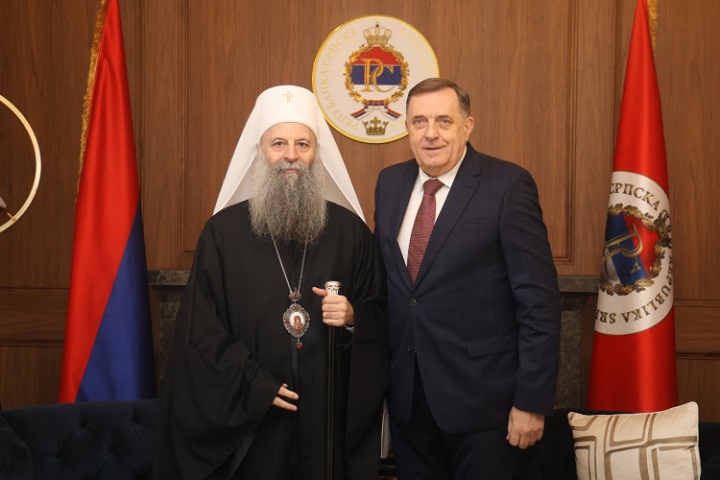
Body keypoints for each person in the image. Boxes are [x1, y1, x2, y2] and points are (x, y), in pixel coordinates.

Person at [154, 85, 388, 480]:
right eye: (278, 143)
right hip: (252, 418)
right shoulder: (223, 234)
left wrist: (353, 317)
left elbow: (380, 313)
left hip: (325, 422)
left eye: (302, 144)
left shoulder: (350, 233)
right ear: (260, 151)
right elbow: (200, 332)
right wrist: (254, 384)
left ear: (316, 154)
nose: (291, 155)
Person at [373, 78, 561, 479]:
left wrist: (531, 402)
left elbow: (539, 304)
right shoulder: (389, 183)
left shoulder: (507, 185)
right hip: (410, 403)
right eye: (419, 121)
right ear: (407, 128)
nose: (431, 133)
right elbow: (393, 287)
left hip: (486, 408)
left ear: (467, 126)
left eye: (444, 121)